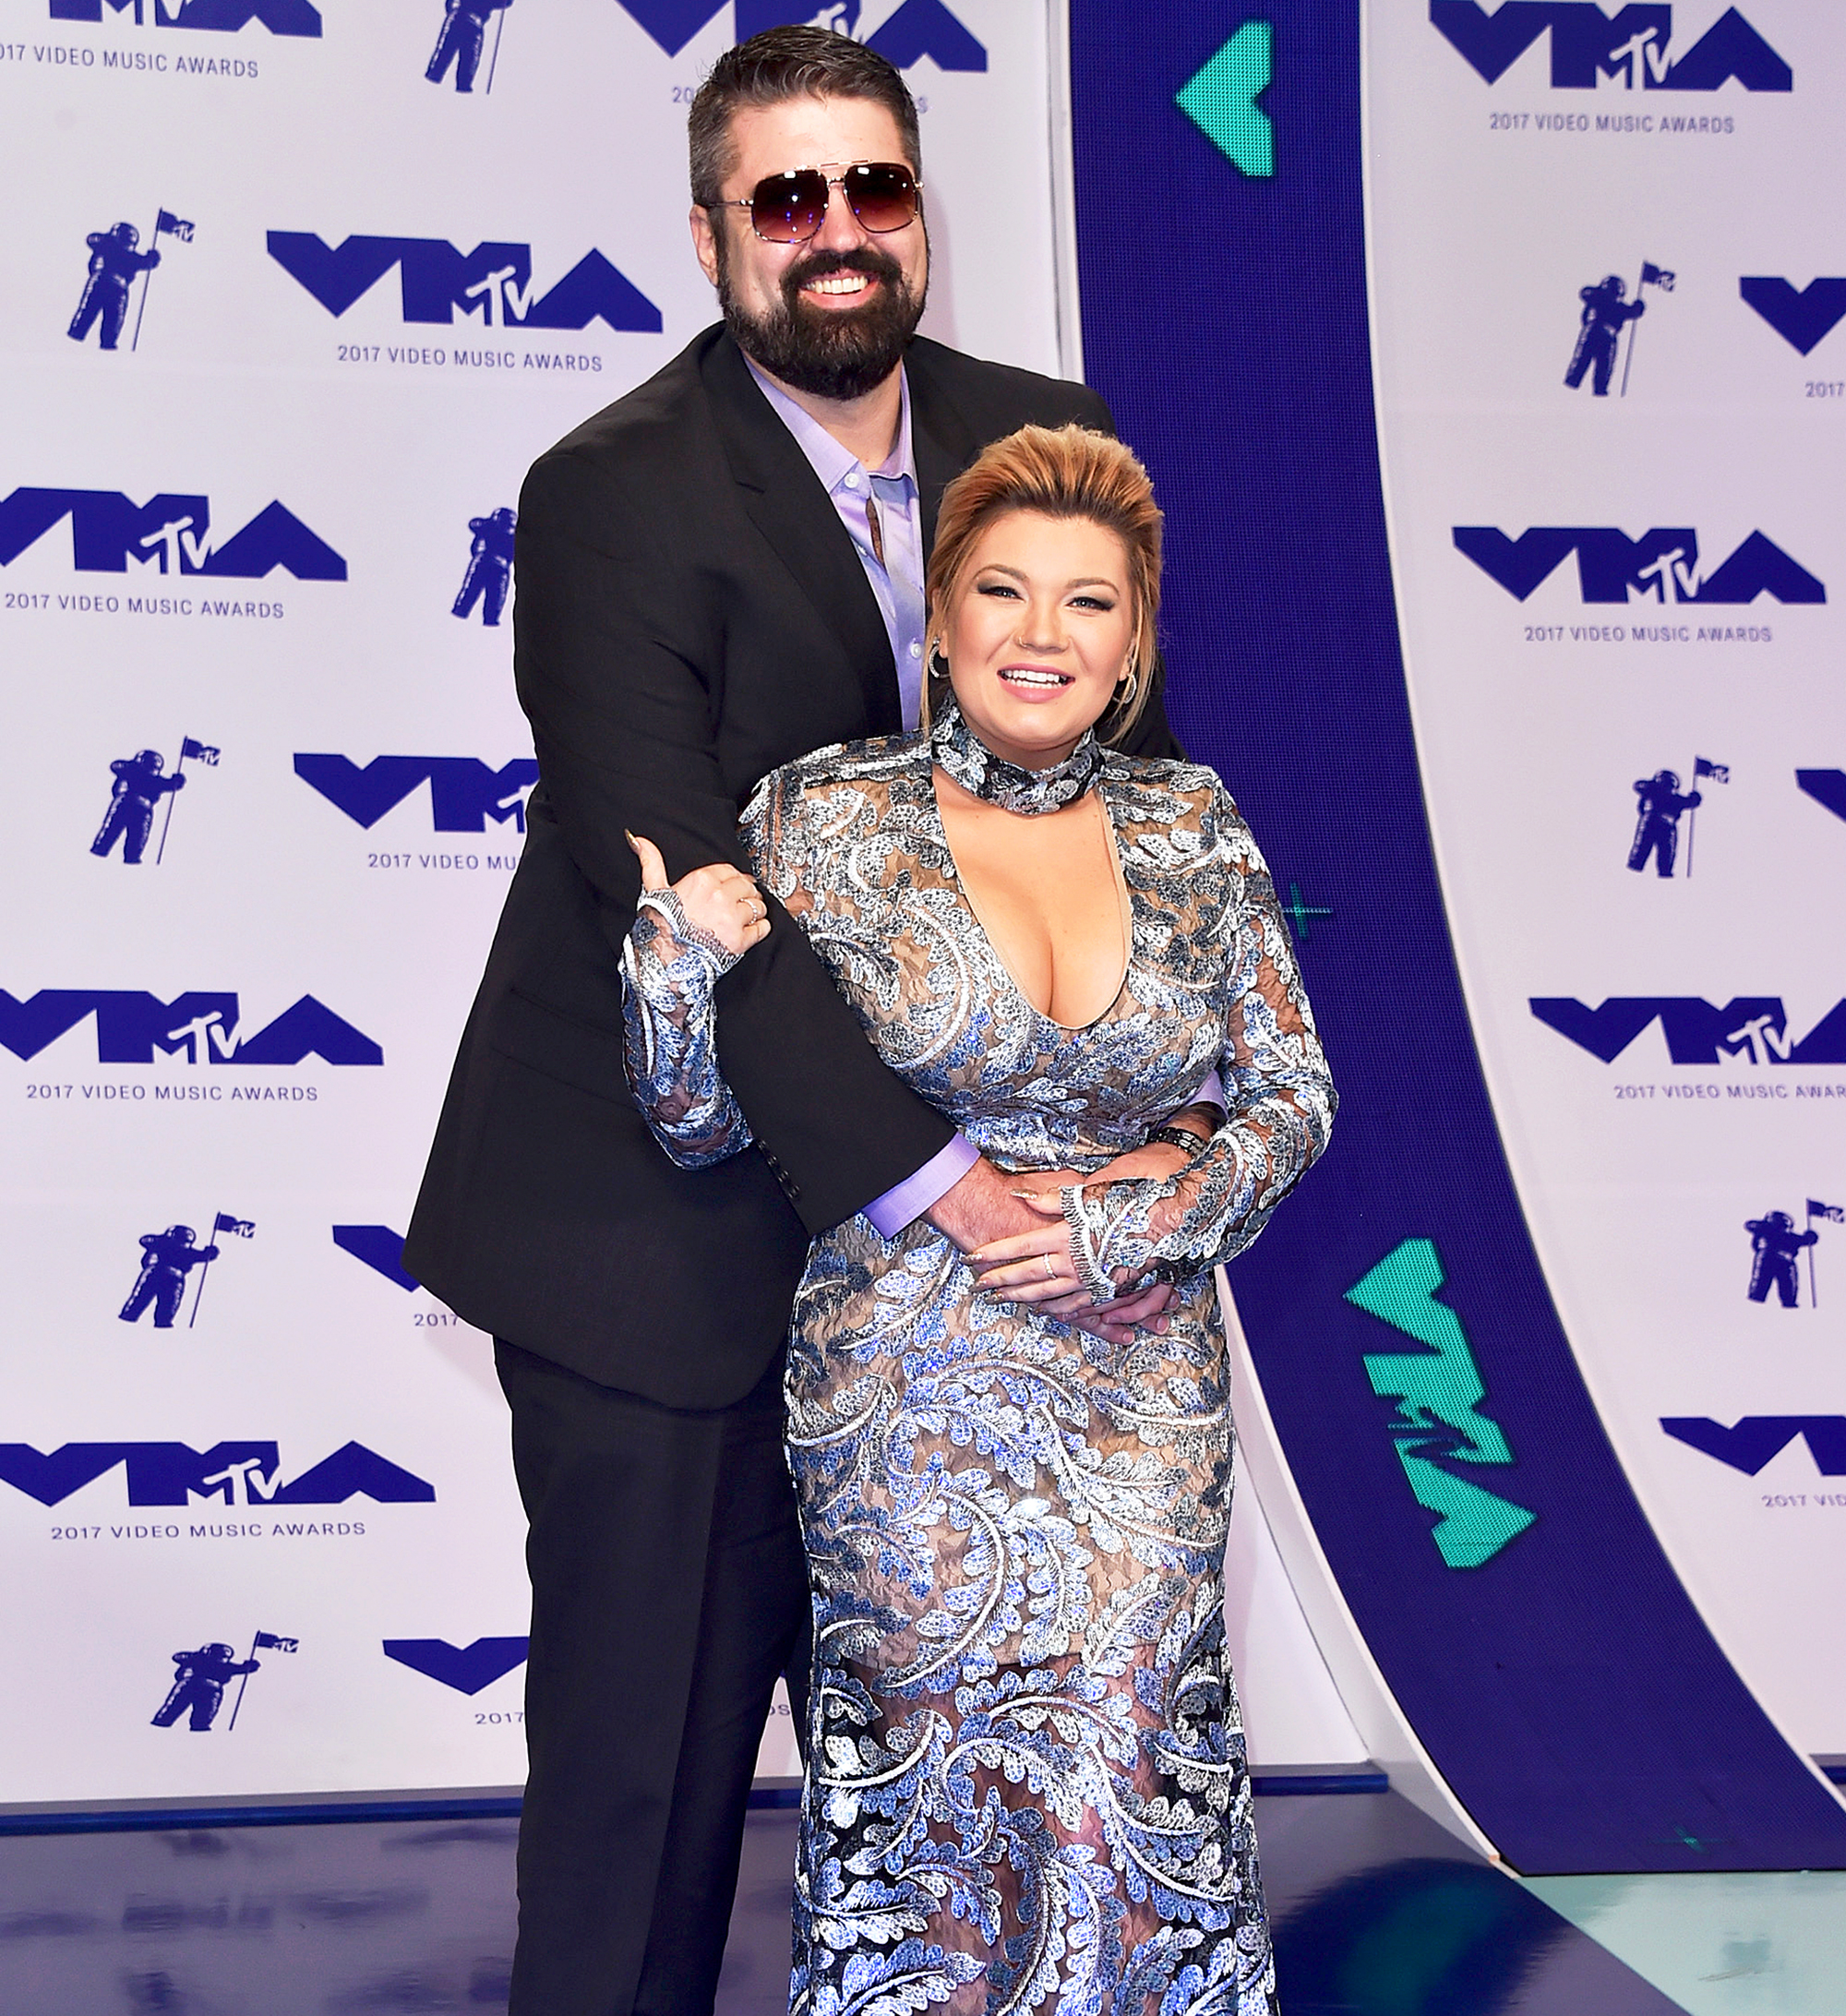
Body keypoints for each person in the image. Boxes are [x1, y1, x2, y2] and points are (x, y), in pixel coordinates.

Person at [403, 28, 1213, 2015]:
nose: (838, 235)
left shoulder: (1043, 436)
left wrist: (1153, 1125)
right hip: (659, 1241)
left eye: (877, 190)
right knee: (646, 1793)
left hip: (969, 1298)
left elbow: (1144, 817)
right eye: (789, 199)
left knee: (970, 1805)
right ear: (709, 237)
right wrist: (955, 1188)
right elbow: (688, 904)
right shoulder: (604, 498)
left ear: (921, 211)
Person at [623, 424, 1332, 2016]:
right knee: (921, 1823)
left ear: (1134, 638)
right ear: (936, 616)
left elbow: (1292, 1099)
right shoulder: (820, 815)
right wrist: (673, 969)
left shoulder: (1193, 821)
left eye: (1088, 602)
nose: (1040, 633)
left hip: (1140, 1394)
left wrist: (1129, 1223)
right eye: (1002, 590)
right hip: (906, 1404)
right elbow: (702, 1127)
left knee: (1135, 1772)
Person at [68, 222, 159, 352]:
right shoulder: (108, 246)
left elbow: (146, 263)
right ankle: (84, 338)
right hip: (105, 284)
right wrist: (152, 258)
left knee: (109, 318)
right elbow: (92, 239)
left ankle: (91, 339)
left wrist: (152, 259)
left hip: (112, 287)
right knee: (99, 316)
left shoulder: (117, 250)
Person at [92, 749, 186, 865]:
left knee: (132, 839)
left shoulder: (141, 775)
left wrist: (178, 781)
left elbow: (172, 785)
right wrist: (177, 781)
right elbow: (115, 766)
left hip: (135, 807)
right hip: (129, 805)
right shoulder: (133, 771)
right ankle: (104, 854)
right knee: (120, 836)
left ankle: (110, 854)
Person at [120, 1225, 219, 1329]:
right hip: (157, 1274)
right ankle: (129, 1319)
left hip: (170, 1278)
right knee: (142, 1301)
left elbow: (204, 1256)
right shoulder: (161, 1243)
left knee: (166, 1307)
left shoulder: (185, 1251)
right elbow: (145, 1240)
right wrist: (210, 1253)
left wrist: (211, 1253)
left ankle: (155, 1323)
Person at [1564, 274, 1643, 397]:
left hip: (1597, 332)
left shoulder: (1601, 299)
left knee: (1596, 363)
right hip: (1600, 332)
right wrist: (1638, 306)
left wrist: (1638, 307)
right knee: (1597, 363)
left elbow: (1633, 312)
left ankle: (1586, 385)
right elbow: (1634, 312)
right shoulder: (1603, 299)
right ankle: (1593, 388)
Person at [1627, 767, 1699, 877]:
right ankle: (1643, 870)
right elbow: (1691, 802)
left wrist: (1694, 798)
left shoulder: (1655, 792)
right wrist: (1694, 798)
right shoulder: (1654, 791)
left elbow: (1691, 802)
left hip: (1657, 823)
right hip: (1657, 823)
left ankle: (1644, 869)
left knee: (1660, 853)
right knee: (1658, 852)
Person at [1745, 1211, 1816, 1307]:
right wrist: (1810, 1236)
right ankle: (1755, 1305)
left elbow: (1806, 1240)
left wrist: (1810, 1236)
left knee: (1785, 1290)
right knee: (1761, 1288)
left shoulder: (1788, 1236)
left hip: (1780, 1261)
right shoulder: (1766, 1230)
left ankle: (1787, 1306)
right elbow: (1750, 1225)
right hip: (1770, 1258)